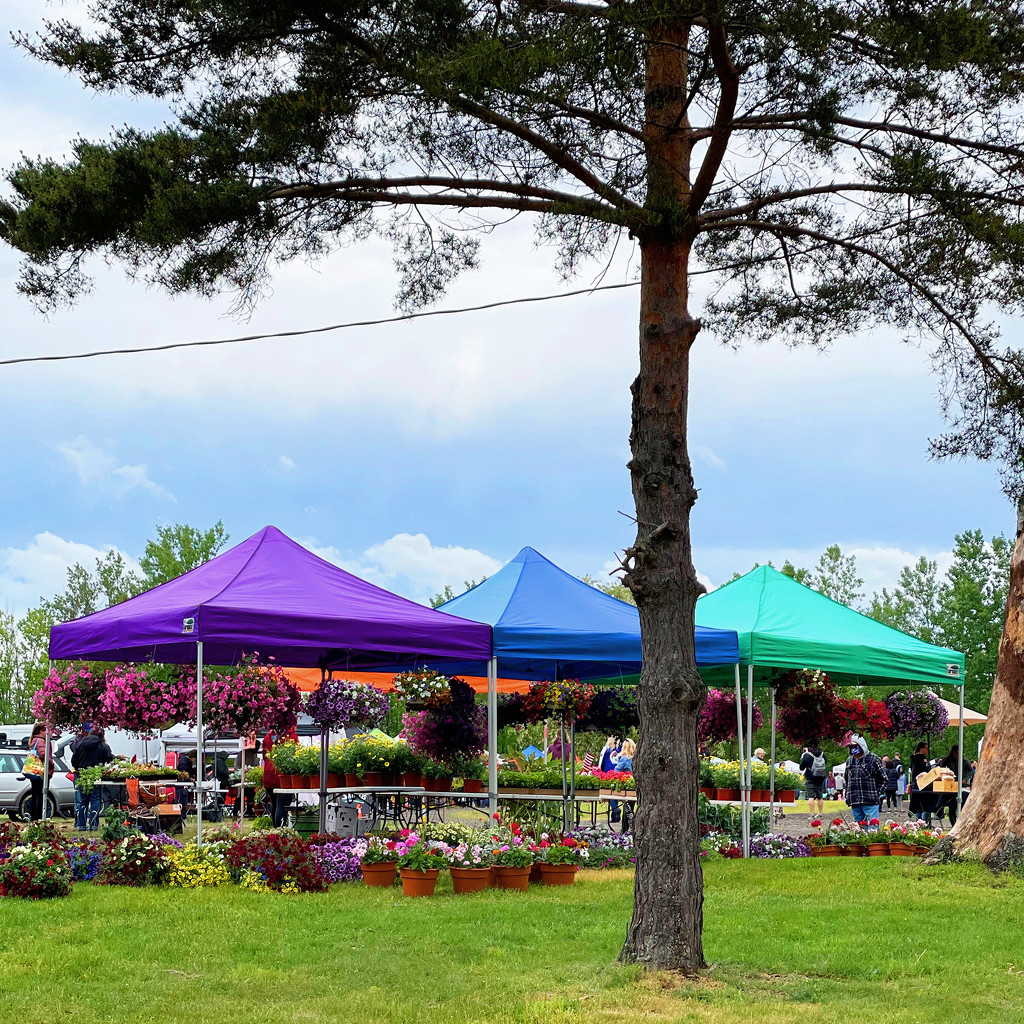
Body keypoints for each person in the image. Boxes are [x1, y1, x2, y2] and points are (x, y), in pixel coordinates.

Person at [71, 725, 113, 830]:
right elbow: (109, 759)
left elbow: (74, 760)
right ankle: (93, 824)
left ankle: (81, 825)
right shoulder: (103, 746)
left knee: (83, 801)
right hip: (95, 775)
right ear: (102, 735)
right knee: (95, 800)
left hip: (82, 775)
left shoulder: (81, 744)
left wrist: (79, 768)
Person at [842, 733, 886, 830]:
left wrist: (877, 793)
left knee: (872, 829)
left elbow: (883, 779)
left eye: (855, 746)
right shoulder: (849, 760)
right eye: (851, 746)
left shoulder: (874, 759)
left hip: (870, 800)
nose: (853, 748)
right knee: (858, 830)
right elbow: (847, 778)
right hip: (854, 800)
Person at [23, 722, 56, 821]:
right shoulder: (41, 741)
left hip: (35, 771)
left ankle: (34, 816)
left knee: (36, 793)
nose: (51, 733)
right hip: (41, 771)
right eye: (49, 731)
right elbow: (43, 755)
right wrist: (51, 764)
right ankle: (38, 817)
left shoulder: (35, 740)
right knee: (41, 794)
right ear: (42, 731)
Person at [908, 741, 935, 824]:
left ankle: (920, 820)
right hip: (921, 784)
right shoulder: (919, 759)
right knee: (923, 803)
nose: (927, 750)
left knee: (918, 803)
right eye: (926, 748)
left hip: (918, 784)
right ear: (921, 749)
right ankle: (922, 821)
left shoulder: (915, 758)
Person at [598, 736, 622, 823]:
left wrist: (600, 772)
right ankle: (615, 811)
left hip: (608, 773)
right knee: (616, 792)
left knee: (610, 793)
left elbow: (601, 762)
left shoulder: (606, 749)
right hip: (620, 773)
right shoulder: (621, 748)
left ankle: (615, 810)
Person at [799, 743, 828, 816]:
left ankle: (812, 813)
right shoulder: (823, 755)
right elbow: (826, 763)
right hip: (821, 777)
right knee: (820, 796)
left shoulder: (807, 756)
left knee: (811, 796)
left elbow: (801, 767)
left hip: (810, 778)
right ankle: (820, 813)